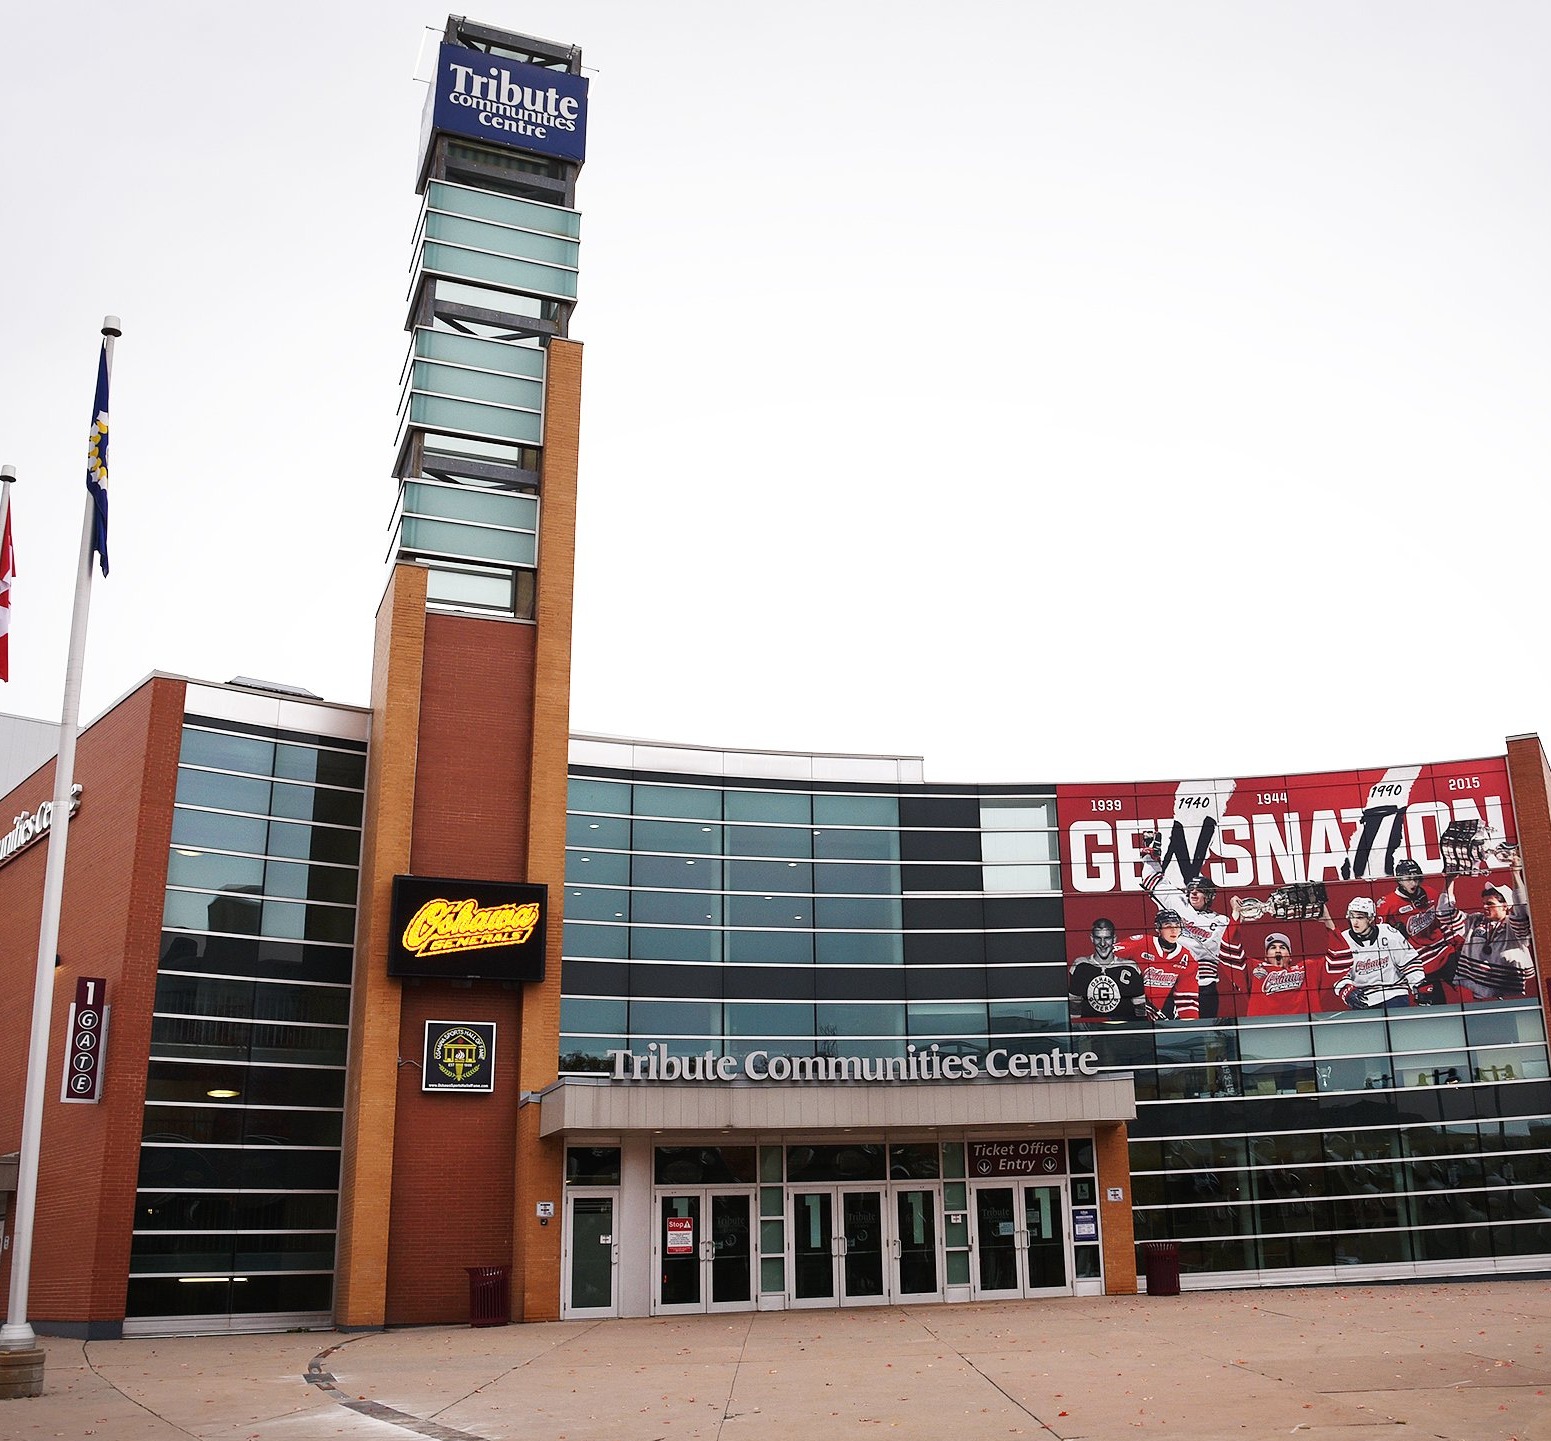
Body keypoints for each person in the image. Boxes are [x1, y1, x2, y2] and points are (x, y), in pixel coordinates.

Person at [1142, 855, 1228, 1018]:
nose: (1194, 894)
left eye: (1200, 891)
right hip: (1173, 980)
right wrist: (1150, 858)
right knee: (1166, 1027)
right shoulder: (1178, 903)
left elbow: (1222, 949)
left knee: (1205, 1030)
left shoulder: (1221, 921)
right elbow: (1151, 879)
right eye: (1191, 890)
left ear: (1209, 896)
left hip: (1204, 985)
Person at [1438, 873, 1536, 1000]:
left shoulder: (1514, 926)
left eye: (1490, 903)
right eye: (1484, 903)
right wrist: (1449, 880)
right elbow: (1445, 914)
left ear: (1505, 906)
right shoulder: (1476, 921)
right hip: (1475, 993)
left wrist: (1516, 872)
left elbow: (1521, 909)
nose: (1484, 907)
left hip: (1507, 995)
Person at [1376, 858, 1456, 1001]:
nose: (1413, 883)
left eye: (1416, 878)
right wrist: (1394, 936)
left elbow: (1442, 921)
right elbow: (1379, 938)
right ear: (1399, 880)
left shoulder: (1430, 892)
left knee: (1471, 990)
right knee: (1436, 1006)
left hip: (1444, 953)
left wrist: (1455, 942)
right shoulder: (1387, 904)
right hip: (1420, 963)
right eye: (1408, 879)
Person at [1219, 900, 1317, 1016]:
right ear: (1266, 956)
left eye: (1282, 947)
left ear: (1290, 956)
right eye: (1272, 947)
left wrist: (1327, 920)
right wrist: (1236, 914)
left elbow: (1337, 959)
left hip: (1302, 1028)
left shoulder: (1305, 968)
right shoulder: (1254, 968)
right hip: (1265, 1029)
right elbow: (1228, 952)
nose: (1277, 950)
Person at [1324, 896, 1424, 1009]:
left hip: (1394, 992)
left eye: (1360, 917)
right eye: (1352, 917)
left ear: (1370, 919)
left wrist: (1418, 985)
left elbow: (1409, 962)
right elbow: (1336, 973)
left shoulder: (1388, 932)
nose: (1355, 922)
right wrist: (1346, 989)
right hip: (1362, 997)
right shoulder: (1343, 940)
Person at [1117, 909, 1200, 1021]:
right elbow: (1106, 958)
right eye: (1167, 925)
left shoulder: (1186, 958)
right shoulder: (1141, 943)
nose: (1173, 930)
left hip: (1154, 1017)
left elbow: (1187, 1000)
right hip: (1125, 1012)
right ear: (1158, 928)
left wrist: (1191, 1028)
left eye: (1177, 926)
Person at [1068, 917, 1149, 1023]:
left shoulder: (1131, 967)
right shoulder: (1080, 965)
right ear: (1092, 938)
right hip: (1092, 1032)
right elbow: (1074, 1008)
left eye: (1107, 938)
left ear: (1114, 939)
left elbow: (1140, 1010)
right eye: (1098, 938)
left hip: (1124, 1031)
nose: (1102, 944)